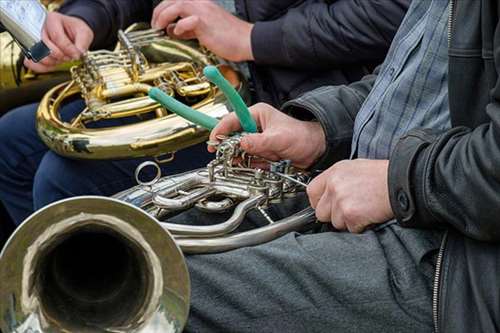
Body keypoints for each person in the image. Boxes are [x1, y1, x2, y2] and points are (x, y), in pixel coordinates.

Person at [169, 0, 498, 331]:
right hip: (389, 192)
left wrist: (395, 182)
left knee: (163, 292)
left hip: (456, 260)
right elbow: (412, 81)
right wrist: (317, 130)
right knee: (136, 231)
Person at [0, 0, 409, 228]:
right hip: (203, 70)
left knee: (62, 179)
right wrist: (86, 17)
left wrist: (251, 37)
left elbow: (399, 11)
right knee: (11, 143)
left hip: (292, 99)